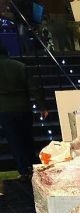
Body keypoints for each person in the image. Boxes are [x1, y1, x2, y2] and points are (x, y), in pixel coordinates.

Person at [0, 42, 48, 180]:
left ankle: (23, 170)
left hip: (5, 109)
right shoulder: (20, 66)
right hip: (23, 107)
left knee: (14, 140)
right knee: (27, 138)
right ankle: (33, 166)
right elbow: (33, 88)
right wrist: (42, 106)